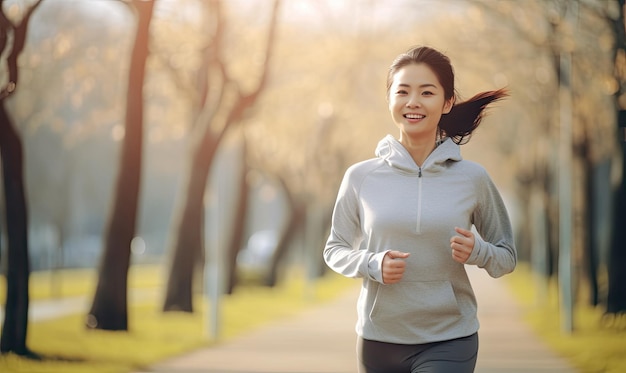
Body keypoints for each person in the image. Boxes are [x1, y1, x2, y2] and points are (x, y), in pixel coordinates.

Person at [323, 45, 517, 373]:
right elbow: (334, 250)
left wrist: (478, 251)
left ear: (447, 102)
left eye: (426, 92)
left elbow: (506, 258)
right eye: (402, 91)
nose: (413, 102)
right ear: (390, 99)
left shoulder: (472, 178)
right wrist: (371, 263)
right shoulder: (360, 176)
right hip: (378, 339)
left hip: (450, 338)